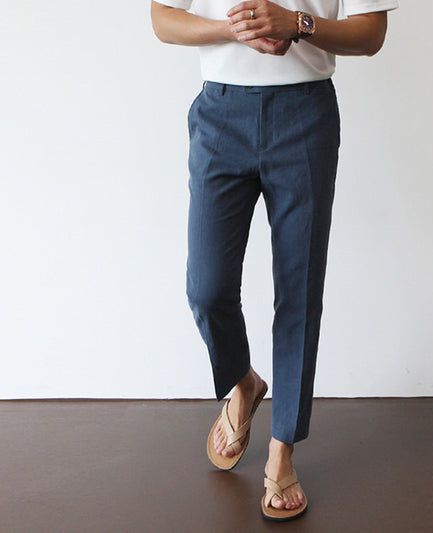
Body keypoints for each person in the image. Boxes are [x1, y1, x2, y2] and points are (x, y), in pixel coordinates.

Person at [151, 0, 398, 521]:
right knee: (207, 288)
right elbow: (162, 19)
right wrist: (231, 30)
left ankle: (282, 449)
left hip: (304, 113)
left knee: (299, 291)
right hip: (220, 111)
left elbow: (370, 33)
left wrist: (298, 24)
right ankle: (244, 383)